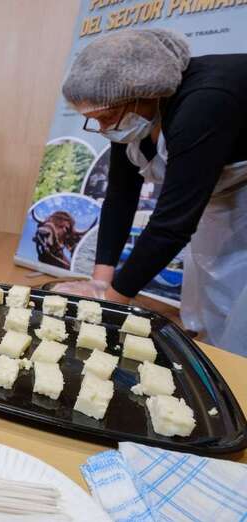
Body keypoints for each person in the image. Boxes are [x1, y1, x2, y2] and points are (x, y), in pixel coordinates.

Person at [53, 28, 247, 355]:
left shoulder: (205, 103)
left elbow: (172, 225)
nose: (103, 128)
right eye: (94, 121)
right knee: (213, 285)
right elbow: (120, 196)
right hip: (227, 191)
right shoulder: (132, 112)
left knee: (242, 320)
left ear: (146, 92)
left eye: (107, 117)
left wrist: (111, 304)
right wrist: (100, 282)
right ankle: (216, 354)